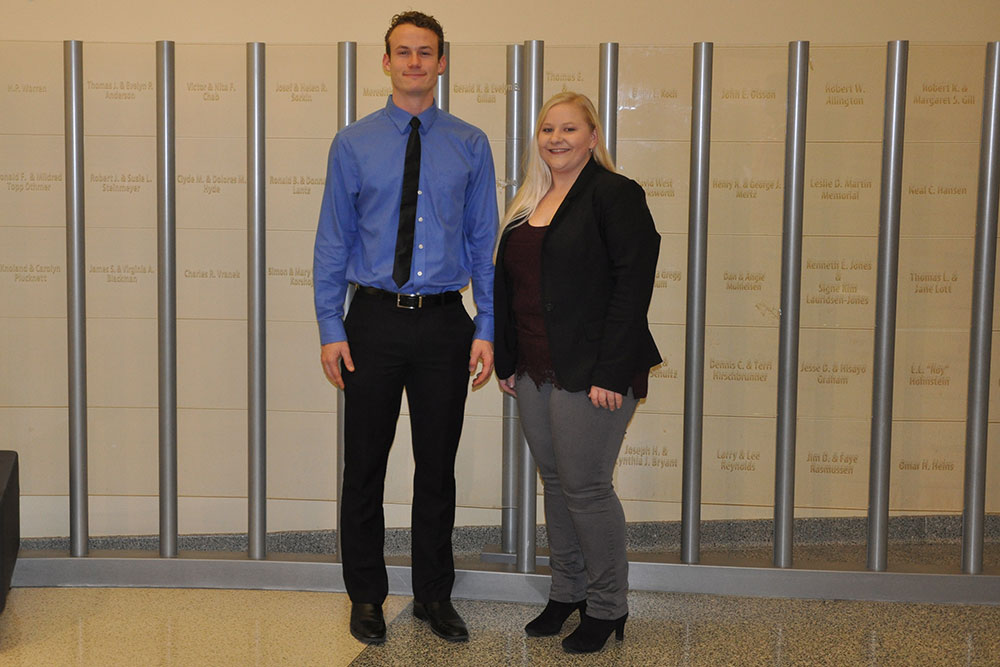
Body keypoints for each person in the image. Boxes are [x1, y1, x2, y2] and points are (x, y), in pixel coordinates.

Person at [313, 11, 498, 645]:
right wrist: (330, 326)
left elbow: (482, 243)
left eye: (426, 52)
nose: (415, 61)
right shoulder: (353, 143)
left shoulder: (470, 144)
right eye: (403, 51)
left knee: (436, 468)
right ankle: (366, 596)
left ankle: (433, 596)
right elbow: (333, 241)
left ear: (442, 62)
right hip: (371, 323)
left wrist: (486, 325)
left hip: (445, 324)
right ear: (386, 62)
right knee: (364, 466)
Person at [494, 92, 660, 654]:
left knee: (586, 487)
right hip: (534, 368)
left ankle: (608, 605)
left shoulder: (615, 194)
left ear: (593, 137)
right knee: (557, 480)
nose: (556, 138)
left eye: (569, 129)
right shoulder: (528, 202)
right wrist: (508, 360)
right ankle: (568, 591)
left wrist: (611, 372)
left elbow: (632, 286)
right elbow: (512, 288)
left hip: (594, 370)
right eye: (548, 129)